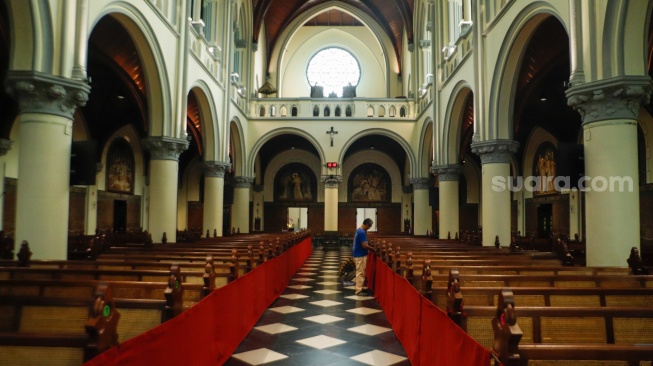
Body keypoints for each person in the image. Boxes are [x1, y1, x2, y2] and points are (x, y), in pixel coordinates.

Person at [353, 218, 374, 295]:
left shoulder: (359, 230)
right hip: (360, 254)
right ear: (367, 224)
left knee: (361, 271)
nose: (369, 228)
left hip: (359, 254)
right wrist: (373, 249)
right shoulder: (361, 232)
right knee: (360, 272)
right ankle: (358, 290)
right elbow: (364, 245)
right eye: (369, 227)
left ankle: (360, 287)